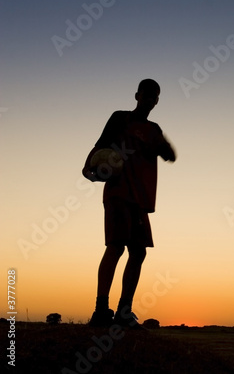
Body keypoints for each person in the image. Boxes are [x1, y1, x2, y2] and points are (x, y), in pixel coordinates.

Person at [83, 79, 176, 328]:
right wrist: (87, 165)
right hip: (118, 192)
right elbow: (100, 145)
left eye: (155, 96)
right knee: (116, 246)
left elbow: (170, 155)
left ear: (157, 100)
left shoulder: (154, 129)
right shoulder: (120, 118)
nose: (150, 100)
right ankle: (101, 310)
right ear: (137, 95)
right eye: (146, 95)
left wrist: (165, 149)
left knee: (139, 251)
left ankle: (125, 311)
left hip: (140, 199)